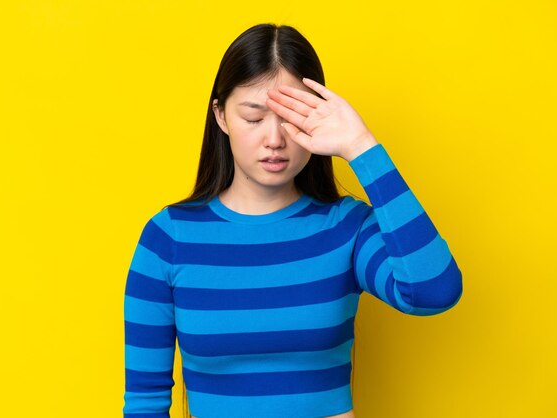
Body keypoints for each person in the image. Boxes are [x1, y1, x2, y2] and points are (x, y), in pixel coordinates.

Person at [123, 23, 463, 418]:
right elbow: (145, 402)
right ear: (220, 116)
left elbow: (434, 291)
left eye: (292, 117)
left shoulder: (345, 229)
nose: (275, 139)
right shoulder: (168, 238)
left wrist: (361, 147)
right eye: (253, 118)